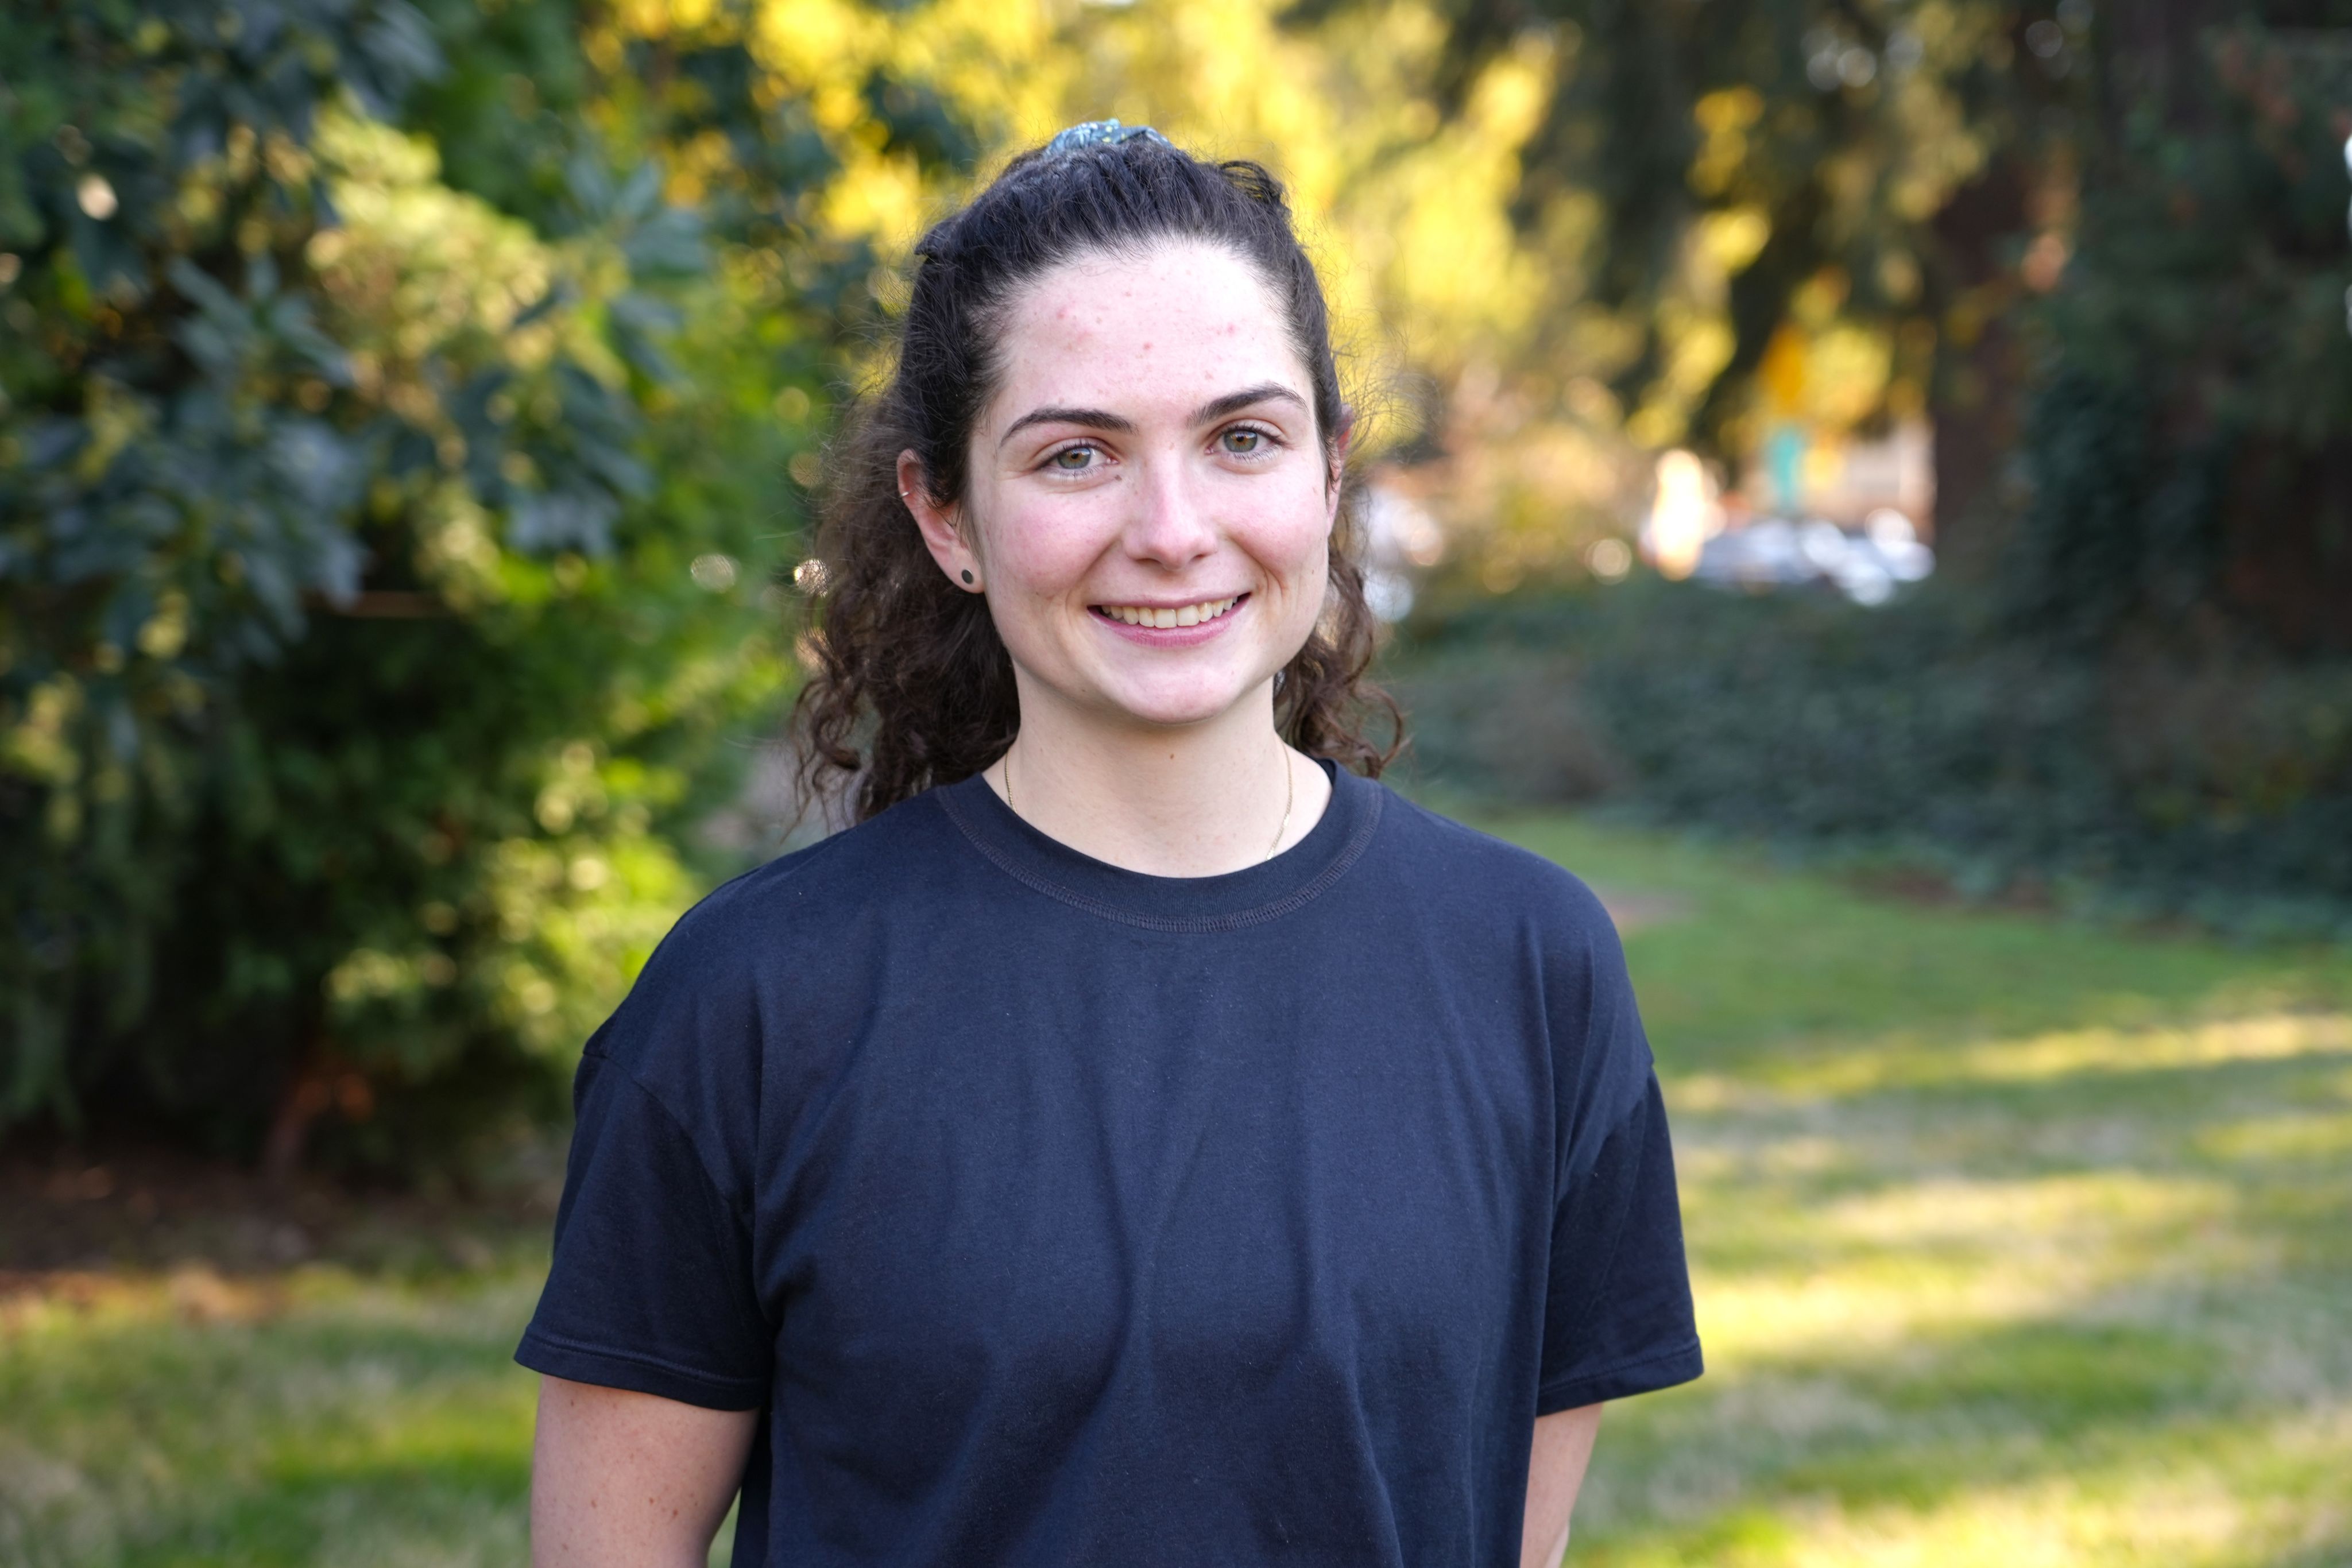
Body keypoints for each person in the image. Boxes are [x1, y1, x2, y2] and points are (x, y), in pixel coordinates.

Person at [517, 121, 1701, 1568]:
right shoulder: (754, 1001)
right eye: (1076, 455)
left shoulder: (1532, 965)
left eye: (1240, 438)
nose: (1170, 528)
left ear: (1328, 479)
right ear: (945, 514)